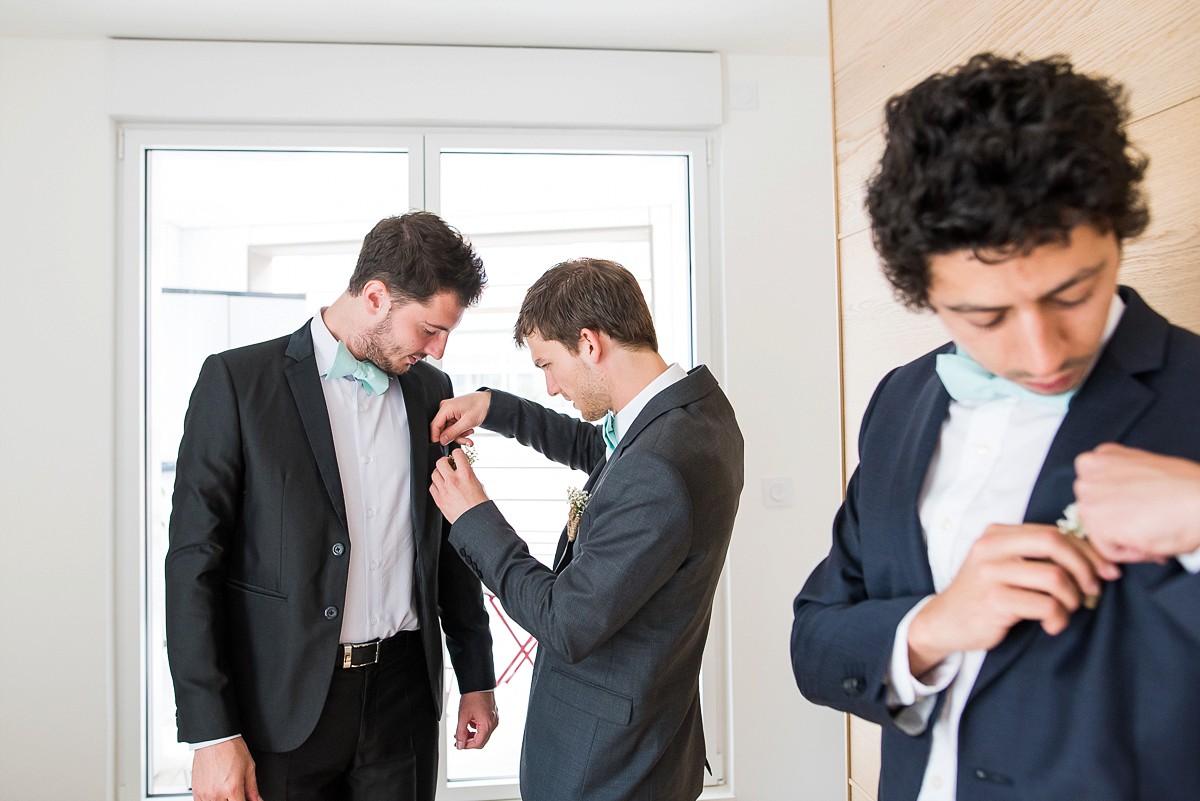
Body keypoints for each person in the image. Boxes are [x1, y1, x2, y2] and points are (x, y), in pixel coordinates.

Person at [790, 53, 1200, 801]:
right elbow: (815, 643)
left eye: (1073, 292)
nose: (1043, 352)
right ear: (925, 294)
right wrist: (932, 626)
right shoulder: (900, 401)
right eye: (986, 317)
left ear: (1115, 234)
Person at [166, 211, 499, 801]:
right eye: (429, 329)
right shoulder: (237, 382)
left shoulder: (431, 392)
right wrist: (210, 733)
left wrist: (476, 677)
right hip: (280, 706)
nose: (439, 347)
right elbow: (193, 565)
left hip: (403, 700)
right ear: (375, 296)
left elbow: (448, 545)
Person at [426, 257, 744, 801]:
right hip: (650, 739)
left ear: (589, 344)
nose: (551, 387)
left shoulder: (659, 468)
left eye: (548, 364)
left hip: (608, 767)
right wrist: (494, 408)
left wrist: (473, 516)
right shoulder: (694, 413)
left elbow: (566, 620)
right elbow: (599, 451)